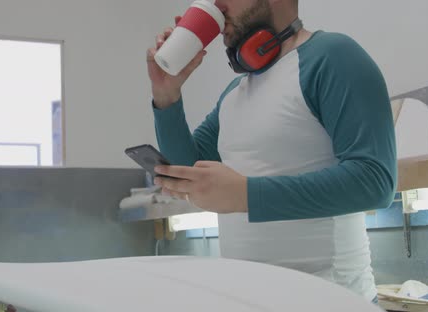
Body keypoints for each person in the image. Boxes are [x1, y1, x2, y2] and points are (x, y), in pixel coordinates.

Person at [146, 0, 396, 303]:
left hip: (333, 300)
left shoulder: (334, 56)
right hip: (250, 299)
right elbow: (186, 172)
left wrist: (247, 195)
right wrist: (167, 94)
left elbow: (375, 181)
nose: (216, 4)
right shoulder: (235, 93)